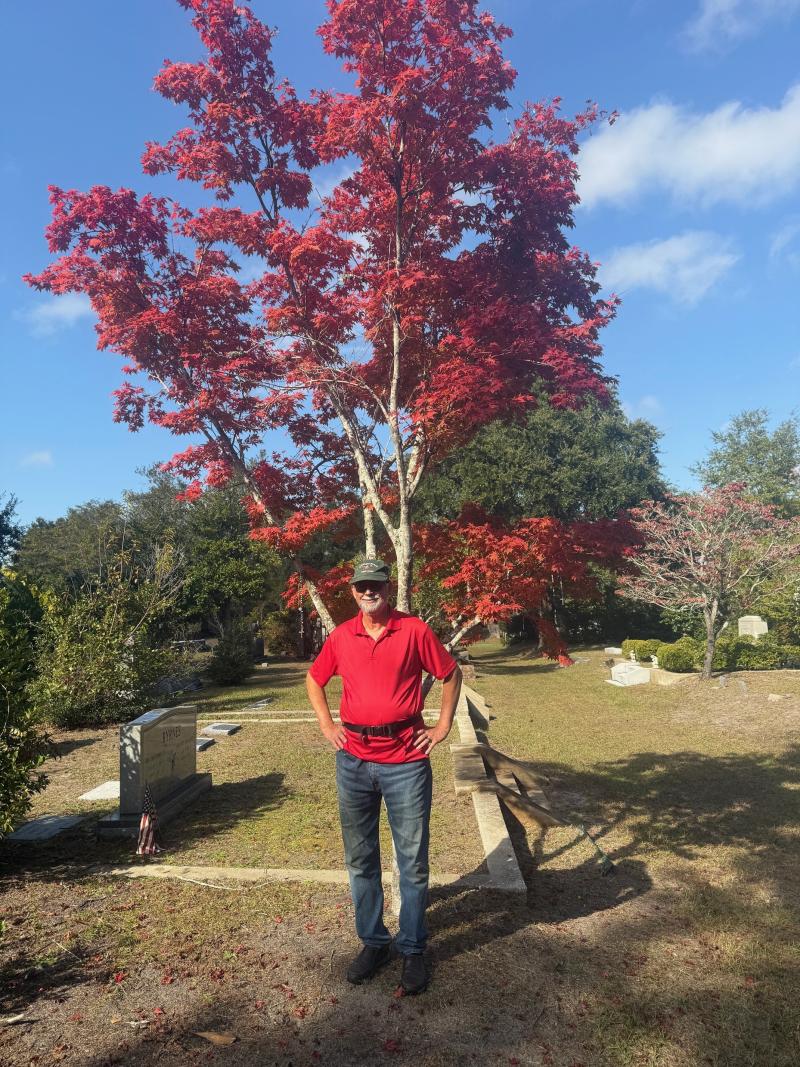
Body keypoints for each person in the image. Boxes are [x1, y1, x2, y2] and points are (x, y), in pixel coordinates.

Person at [306, 559, 462, 995]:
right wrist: (326, 725)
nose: (368, 591)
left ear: (387, 589)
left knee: (411, 861)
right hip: (353, 759)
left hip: (406, 761)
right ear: (353, 593)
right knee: (360, 858)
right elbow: (314, 679)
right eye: (361, 587)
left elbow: (451, 674)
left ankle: (412, 948)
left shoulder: (413, 630)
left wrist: (442, 727)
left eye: (376, 584)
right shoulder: (341, 635)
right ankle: (375, 942)